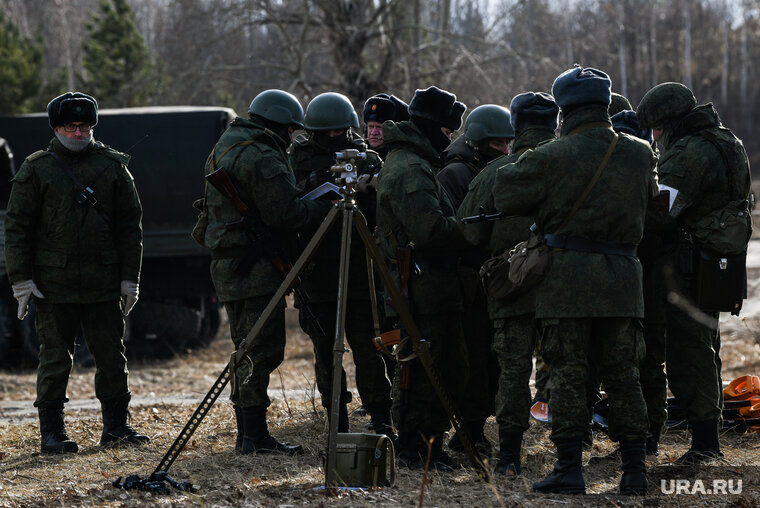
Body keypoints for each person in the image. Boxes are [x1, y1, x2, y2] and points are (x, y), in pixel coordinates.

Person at [494, 67, 657, 495]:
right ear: (605, 104)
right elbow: (651, 202)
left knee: (567, 372)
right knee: (624, 375)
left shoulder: (554, 154)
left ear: (564, 110)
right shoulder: (641, 153)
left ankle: (570, 468)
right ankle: (635, 470)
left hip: (567, 280)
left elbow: (505, 194)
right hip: (623, 279)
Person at [4, 91, 149, 454]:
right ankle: (52, 433)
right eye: (71, 126)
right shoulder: (36, 169)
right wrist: (20, 280)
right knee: (54, 359)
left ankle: (116, 427)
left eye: (85, 126)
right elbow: (17, 227)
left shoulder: (112, 166)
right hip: (54, 285)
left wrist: (130, 278)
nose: (79, 132)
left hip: (103, 282)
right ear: (56, 128)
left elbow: (130, 227)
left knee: (112, 357)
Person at [201, 89, 330, 455]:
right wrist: (325, 207)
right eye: (290, 130)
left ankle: (249, 435)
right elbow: (286, 214)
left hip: (230, 264)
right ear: (277, 124)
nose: (292, 139)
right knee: (261, 350)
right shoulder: (262, 154)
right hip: (254, 268)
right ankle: (254, 436)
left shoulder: (226, 144)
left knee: (246, 346)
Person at [637, 82, 752, 464]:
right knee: (706, 345)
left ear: (669, 123)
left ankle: (705, 445)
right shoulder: (727, 141)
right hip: (713, 262)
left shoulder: (690, 152)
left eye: (656, 129)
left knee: (689, 351)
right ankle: (708, 435)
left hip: (685, 265)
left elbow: (658, 211)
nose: (655, 137)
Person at [459, 92, 559, 476]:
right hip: (563, 288)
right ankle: (570, 451)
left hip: (511, 287)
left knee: (513, 371)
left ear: (516, 127)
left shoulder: (496, 171)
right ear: (554, 125)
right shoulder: (569, 166)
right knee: (567, 366)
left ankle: (509, 457)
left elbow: (468, 232)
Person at [289, 92, 394, 439]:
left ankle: (382, 418)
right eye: (327, 132)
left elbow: (386, 207)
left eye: (340, 131)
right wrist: (314, 185)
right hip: (317, 268)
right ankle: (337, 421)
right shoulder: (297, 159)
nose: (335, 137)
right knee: (326, 352)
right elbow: (286, 205)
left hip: (361, 268)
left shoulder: (367, 156)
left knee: (369, 349)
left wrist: (369, 190)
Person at [375, 85, 467, 470]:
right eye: (447, 132)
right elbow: (429, 232)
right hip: (420, 288)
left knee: (440, 365)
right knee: (421, 367)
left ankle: (430, 444)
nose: (449, 139)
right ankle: (416, 448)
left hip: (430, 287)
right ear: (432, 127)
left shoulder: (414, 161)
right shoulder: (411, 169)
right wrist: (468, 229)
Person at [438, 104, 515, 455]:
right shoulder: (455, 173)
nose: (505, 150)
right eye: (497, 144)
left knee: (491, 360)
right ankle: (468, 432)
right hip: (468, 282)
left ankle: (474, 428)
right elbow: (458, 231)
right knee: (473, 360)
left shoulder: (491, 168)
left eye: (507, 143)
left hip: (492, 279)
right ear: (479, 141)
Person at [362, 93, 409, 159]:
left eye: (379, 127)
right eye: (371, 127)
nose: (373, 133)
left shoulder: (402, 158)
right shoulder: (359, 154)